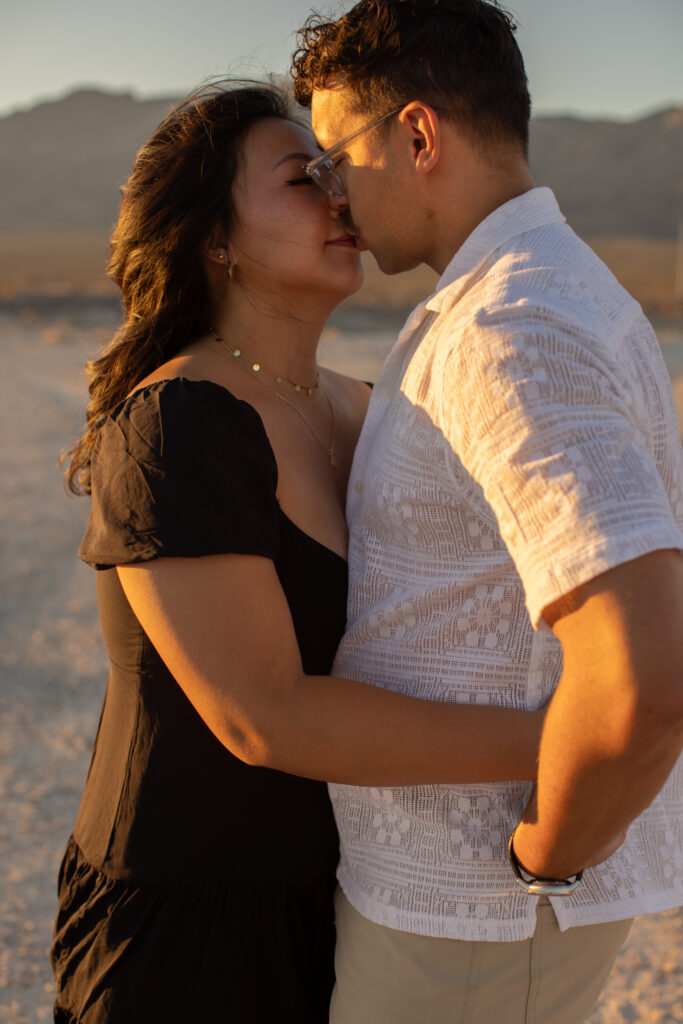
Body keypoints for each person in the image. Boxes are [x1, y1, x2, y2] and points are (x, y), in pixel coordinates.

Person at [51, 82, 546, 1024]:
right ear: (214, 239)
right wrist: (572, 742)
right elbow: (263, 716)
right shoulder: (177, 423)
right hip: (187, 923)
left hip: (351, 901)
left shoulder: (376, 406)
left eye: (334, 170)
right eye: (298, 177)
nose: (337, 194)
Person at [291, 1, 683, 1021]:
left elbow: (641, 678)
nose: (331, 196)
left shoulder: (509, 323)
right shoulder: (524, 293)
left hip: (477, 919)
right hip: (466, 918)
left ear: (416, 135)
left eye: (335, 158)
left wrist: (542, 857)